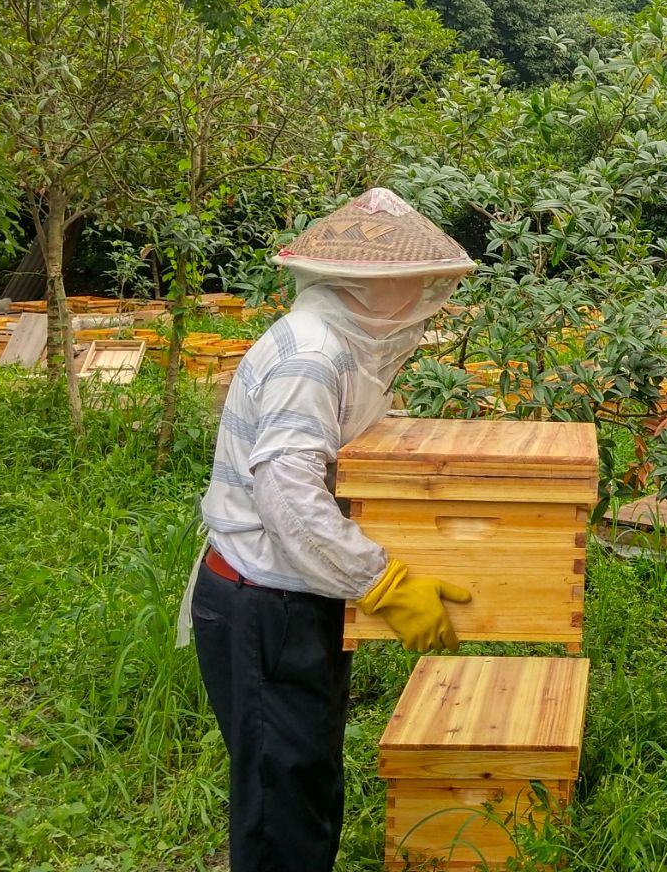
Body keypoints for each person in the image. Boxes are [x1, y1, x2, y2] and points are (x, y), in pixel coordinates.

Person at [181, 188, 477, 872]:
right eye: (405, 284)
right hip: (264, 602)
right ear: (362, 285)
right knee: (278, 800)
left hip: (291, 598)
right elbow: (288, 496)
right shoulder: (310, 356)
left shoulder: (335, 345)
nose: (417, 298)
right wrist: (385, 583)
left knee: (304, 774)